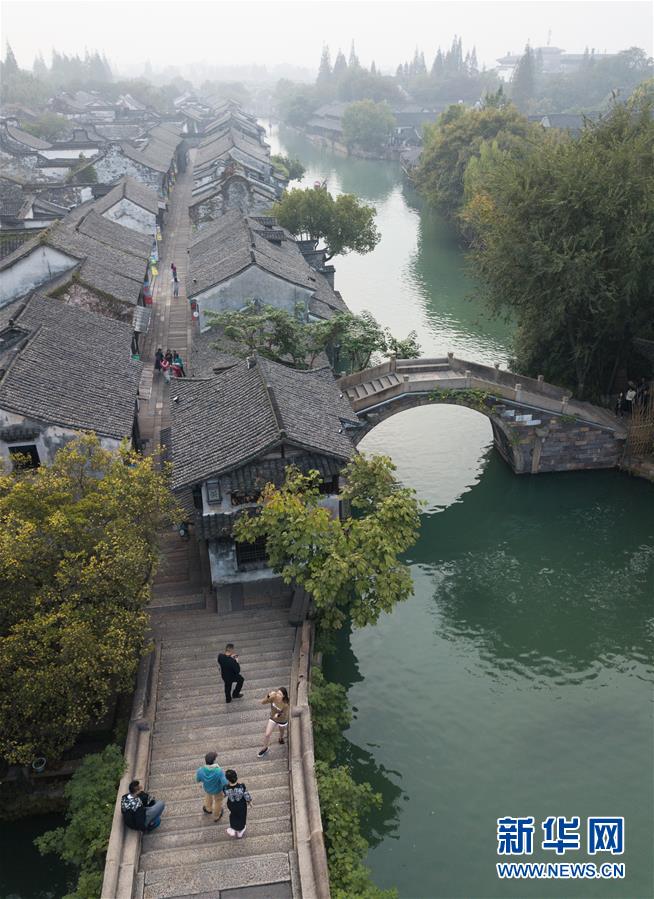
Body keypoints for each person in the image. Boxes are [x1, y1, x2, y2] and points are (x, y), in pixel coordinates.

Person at [196, 751, 228, 822]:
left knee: (208, 797)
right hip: (217, 790)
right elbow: (225, 783)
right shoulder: (219, 771)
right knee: (218, 801)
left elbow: (198, 780)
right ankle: (216, 816)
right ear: (214, 761)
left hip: (207, 788)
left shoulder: (200, 770)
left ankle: (208, 809)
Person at [257, 687, 290, 757]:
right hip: (273, 718)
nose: (278, 695)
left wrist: (278, 715)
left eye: (280, 694)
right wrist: (269, 695)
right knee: (267, 734)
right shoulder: (273, 697)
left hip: (282, 720)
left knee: (281, 732)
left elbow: (285, 714)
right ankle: (265, 748)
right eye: (277, 693)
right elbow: (263, 702)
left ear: (283, 696)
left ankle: (281, 738)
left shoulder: (285, 704)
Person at [223, 769, 252, 838]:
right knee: (242, 816)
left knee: (233, 815)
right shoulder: (241, 786)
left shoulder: (225, 788)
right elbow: (246, 794)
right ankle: (240, 831)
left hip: (231, 804)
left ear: (228, 780)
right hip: (241, 804)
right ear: (236, 777)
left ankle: (233, 828)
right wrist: (249, 801)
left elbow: (224, 794)